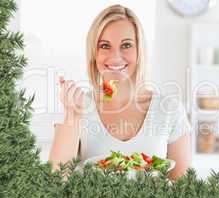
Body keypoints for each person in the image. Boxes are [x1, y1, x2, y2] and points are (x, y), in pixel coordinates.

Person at [48, 4, 192, 181]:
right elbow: (55, 181)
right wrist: (73, 113)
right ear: (94, 53)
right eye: (105, 46)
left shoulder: (170, 109)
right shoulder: (78, 105)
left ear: (140, 51)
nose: (116, 56)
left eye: (126, 45)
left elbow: (184, 188)